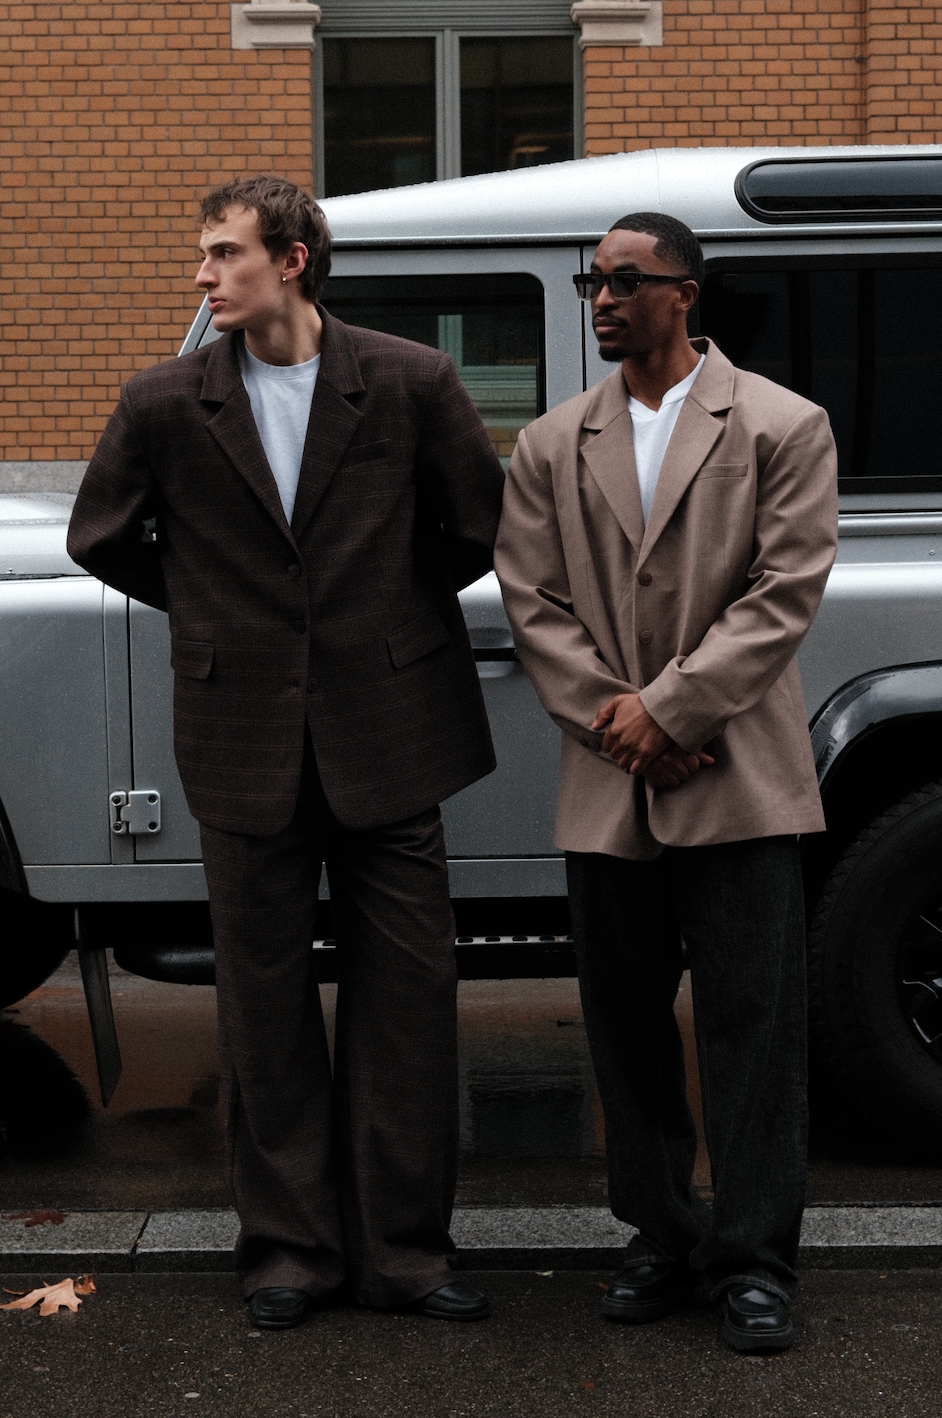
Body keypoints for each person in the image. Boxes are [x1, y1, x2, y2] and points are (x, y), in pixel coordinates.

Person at [68, 176, 505, 1330]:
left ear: (293, 261)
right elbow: (98, 534)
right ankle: (288, 1254)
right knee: (261, 1008)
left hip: (392, 733)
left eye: (222, 254)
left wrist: (384, 623)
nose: (202, 275)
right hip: (242, 735)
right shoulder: (163, 400)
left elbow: (475, 525)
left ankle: (406, 1254)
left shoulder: (411, 380)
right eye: (204, 253)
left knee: (407, 999)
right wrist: (213, 612)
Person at [494, 212, 838, 1353]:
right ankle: (658, 1232)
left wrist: (671, 710)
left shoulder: (784, 423)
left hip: (739, 774)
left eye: (625, 280)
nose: (600, 297)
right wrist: (626, 725)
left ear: (686, 291)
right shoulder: (551, 443)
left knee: (755, 1023)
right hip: (611, 780)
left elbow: (784, 592)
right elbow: (531, 601)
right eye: (593, 279)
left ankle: (753, 1257)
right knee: (626, 1025)